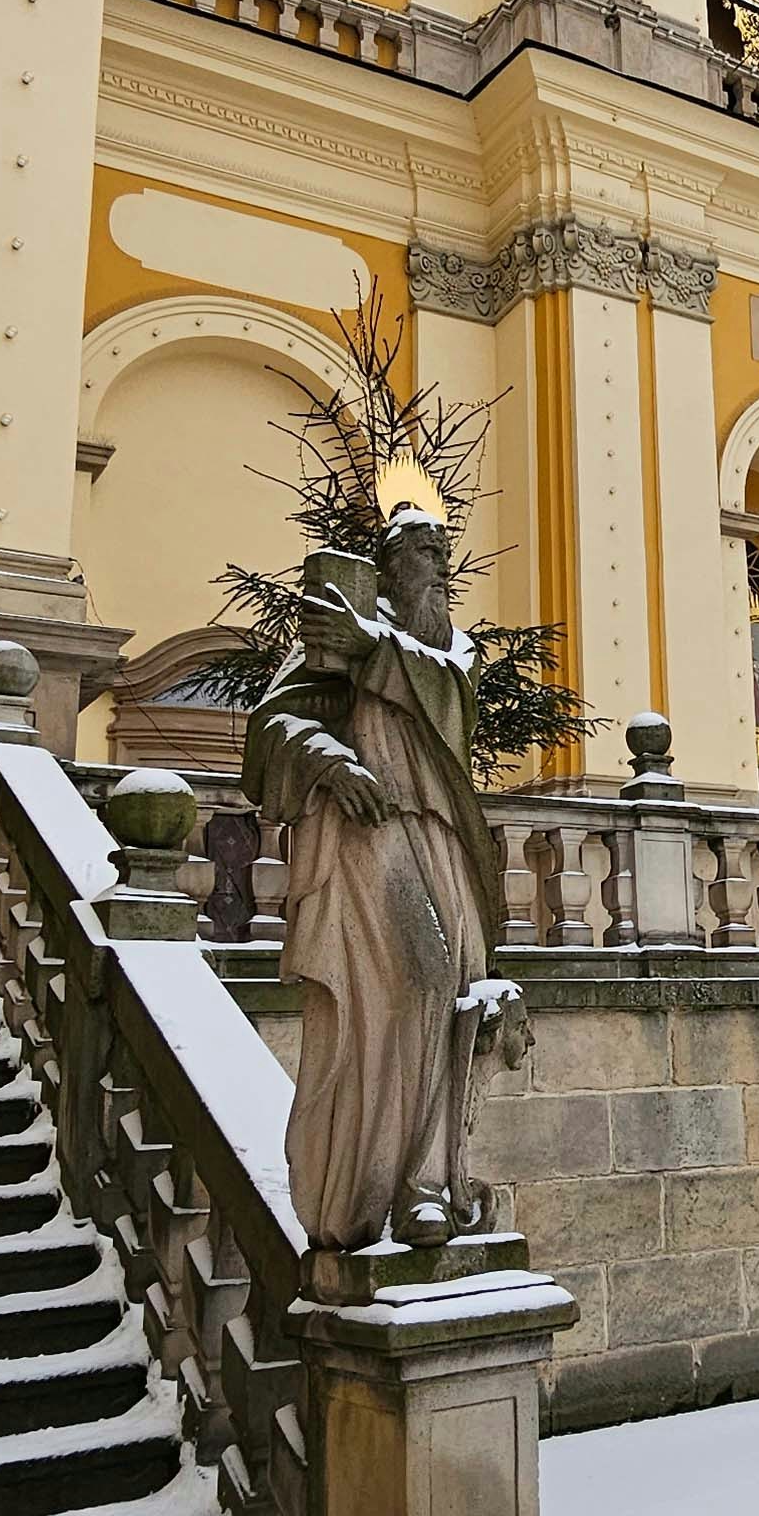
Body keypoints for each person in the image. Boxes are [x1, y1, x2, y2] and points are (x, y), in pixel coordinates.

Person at [244, 493, 528, 1247]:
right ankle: (372, 1181)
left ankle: (426, 1186)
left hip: (442, 841)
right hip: (369, 836)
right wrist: (328, 759)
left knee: (461, 989)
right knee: (421, 982)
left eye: (444, 553)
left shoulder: (448, 650)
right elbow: (272, 726)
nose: (442, 567)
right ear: (392, 567)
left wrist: (372, 648)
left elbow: (451, 705)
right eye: (427, 554)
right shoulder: (336, 628)